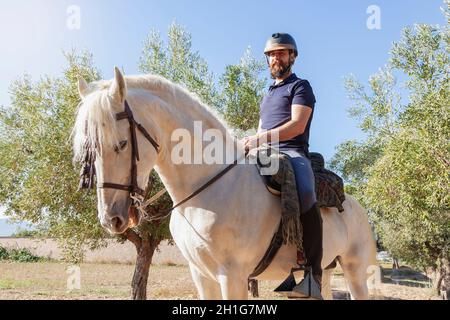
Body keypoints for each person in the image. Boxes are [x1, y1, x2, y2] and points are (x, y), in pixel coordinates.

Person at [243, 32, 323, 299]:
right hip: (264, 151)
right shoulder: (267, 94)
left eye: (281, 52)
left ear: (292, 56)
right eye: (272, 54)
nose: (276, 57)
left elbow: (297, 125)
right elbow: (261, 128)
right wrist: (250, 143)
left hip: (293, 151)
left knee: (306, 193)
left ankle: (313, 275)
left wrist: (259, 139)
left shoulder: (301, 86)